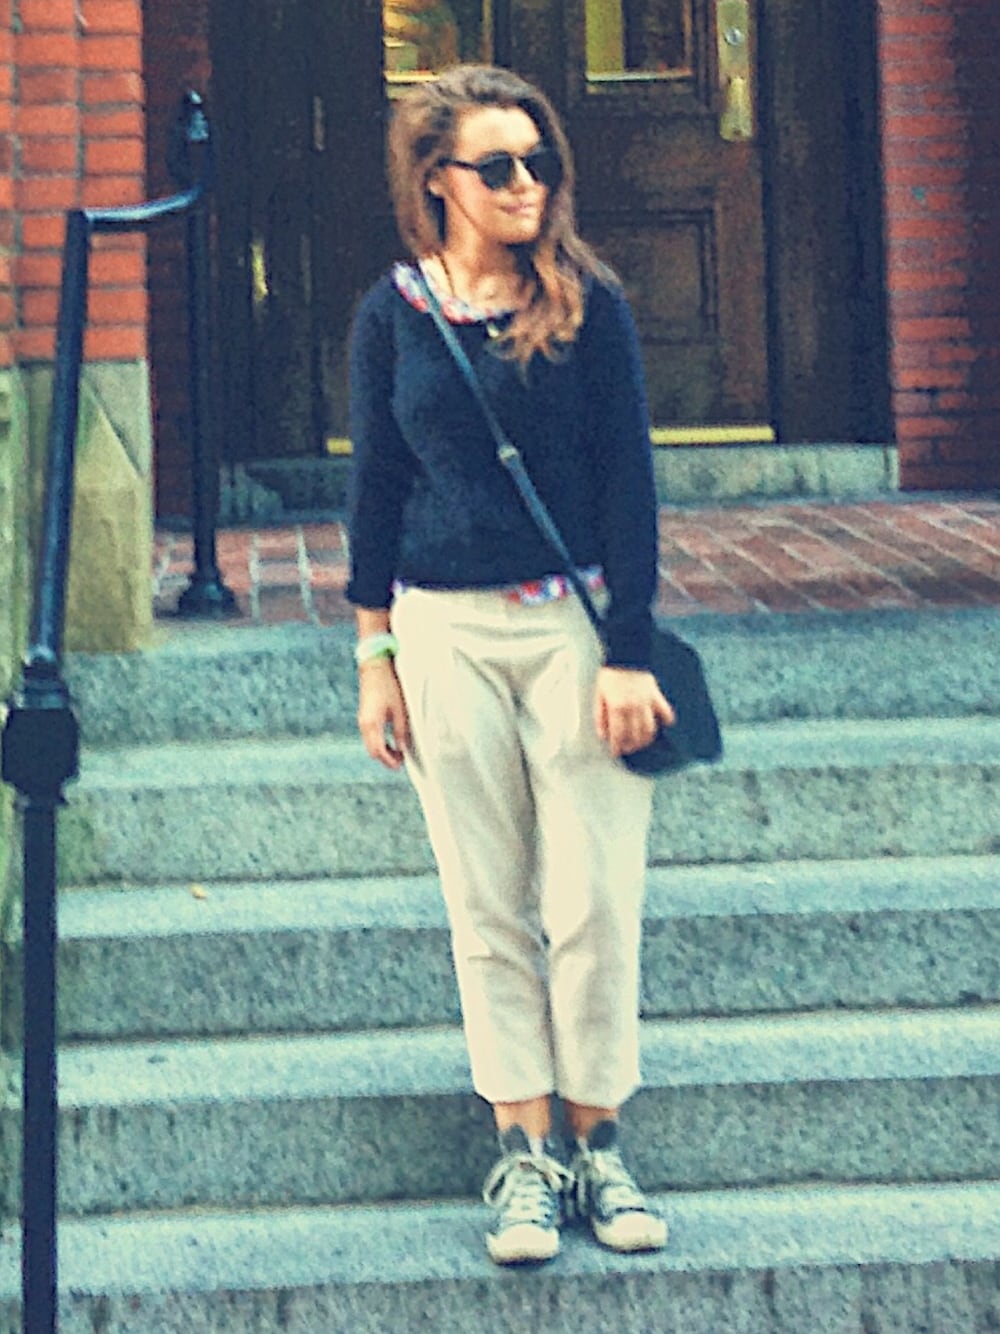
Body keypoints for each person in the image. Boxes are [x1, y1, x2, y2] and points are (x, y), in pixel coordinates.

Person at [347, 63, 674, 1266]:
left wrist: (629, 650)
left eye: (538, 162)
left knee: (592, 898)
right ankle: (525, 1152)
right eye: (497, 166)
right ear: (436, 179)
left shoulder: (590, 304)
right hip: (441, 630)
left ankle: (599, 1142)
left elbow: (631, 484)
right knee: (486, 904)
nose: (525, 183)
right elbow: (376, 487)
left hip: (571, 630)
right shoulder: (391, 314)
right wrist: (374, 653)